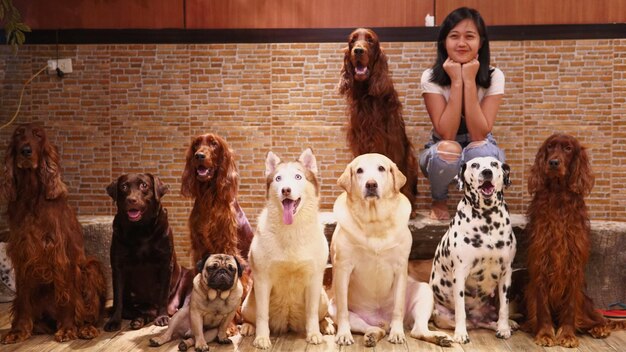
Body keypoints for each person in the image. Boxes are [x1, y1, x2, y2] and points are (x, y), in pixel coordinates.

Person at [419, 7, 505, 220]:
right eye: (454, 36)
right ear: (443, 42)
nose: (461, 43)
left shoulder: (495, 76)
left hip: (480, 144)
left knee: (482, 150)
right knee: (448, 150)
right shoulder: (430, 77)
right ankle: (439, 200)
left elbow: (479, 135)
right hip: (441, 147)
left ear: (481, 42)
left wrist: (469, 80)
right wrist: (457, 80)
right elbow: (447, 133)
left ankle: (481, 203)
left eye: (470, 36)